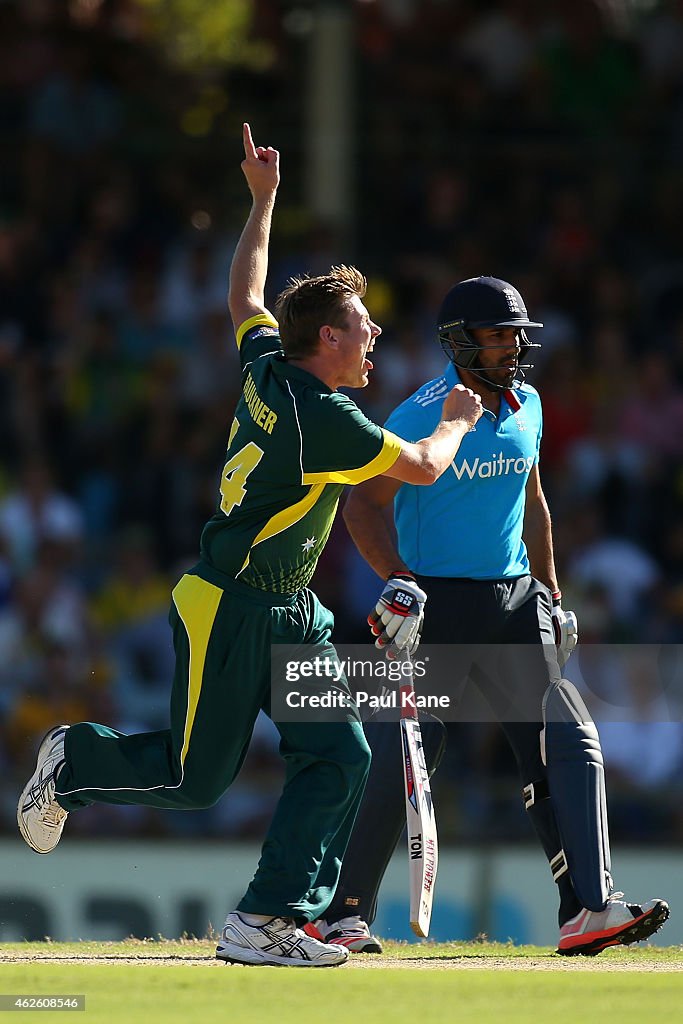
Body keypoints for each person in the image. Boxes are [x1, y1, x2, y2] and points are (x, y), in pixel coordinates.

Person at [16, 124, 483, 968]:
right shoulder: (323, 417)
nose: (374, 336)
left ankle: (268, 919)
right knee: (196, 781)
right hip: (230, 604)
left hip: (291, 610)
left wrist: (262, 201)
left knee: (339, 752)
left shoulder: (272, 362)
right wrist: (454, 419)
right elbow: (418, 466)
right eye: (361, 326)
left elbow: (245, 297)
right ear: (327, 342)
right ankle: (73, 758)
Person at [311, 275, 670, 956]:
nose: (509, 346)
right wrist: (397, 582)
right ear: (457, 342)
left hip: (514, 603)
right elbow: (360, 505)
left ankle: (588, 909)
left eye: (515, 335)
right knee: (408, 755)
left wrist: (552, 593)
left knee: (565, 740)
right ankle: (342, 914)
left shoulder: (527, 404)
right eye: (495, 334)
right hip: (436, 604)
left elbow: (533, 502)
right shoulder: (422, 414)